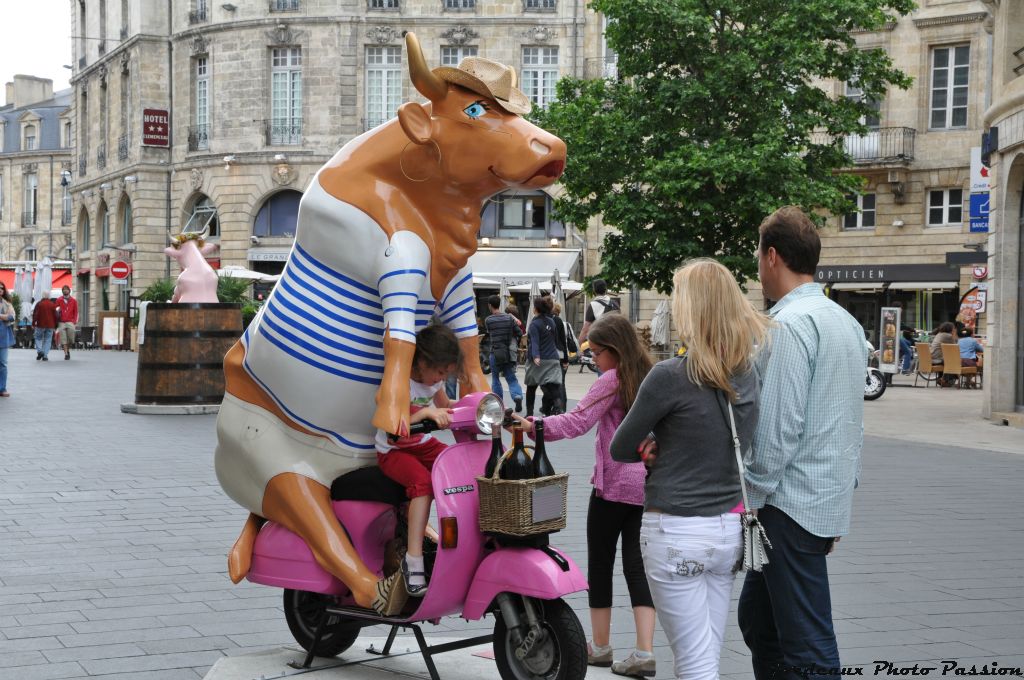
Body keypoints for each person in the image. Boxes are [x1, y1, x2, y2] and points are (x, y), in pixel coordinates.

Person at [610, 259, 769, 680]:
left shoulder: (669, 376)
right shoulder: (747, 375)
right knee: (704, 658)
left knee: (696, 666)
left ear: (691, 310)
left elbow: (622, 446)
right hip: (727, 532)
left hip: (676, 530)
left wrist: (653, 447)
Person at [739, 206, 866, 680]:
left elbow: (778, 430)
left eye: (758, 252)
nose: (757, 262)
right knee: (760, 621)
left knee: (807, 643)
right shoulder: (843, 321)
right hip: (820, 497)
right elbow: (852, 419)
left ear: (772, 256)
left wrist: (748, 497)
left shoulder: (790, 325)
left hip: (787, 503)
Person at [514, 313, 656, 678]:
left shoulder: (612, 379)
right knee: (637, 569)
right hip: (647, 487)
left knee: (601, 566)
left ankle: (602, 647)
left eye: (595, 352)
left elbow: (577, 421)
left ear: (613, 350)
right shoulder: (650, 374)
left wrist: (535, 426)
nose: (593, 359)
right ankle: (644, 651)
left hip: (612, 488)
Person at [373, 324, 460, 614]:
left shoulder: (434, 380)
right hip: (393, 450)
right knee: (422, 484)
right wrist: (423, 413)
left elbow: (446, 405)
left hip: (421, 444)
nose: (442, 378)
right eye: (439, 372)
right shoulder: (400, 382)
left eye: (446, 373)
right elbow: (389, 427)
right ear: (421, 362)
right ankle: (413, 560)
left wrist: (477, 408)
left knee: (458, 466)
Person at [524, 296, 564, 417]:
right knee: (551, 386)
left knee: (531, 387)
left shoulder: (534, 324)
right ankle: (558, 406)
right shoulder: (551, 321)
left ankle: (529, 414)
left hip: (538, 360)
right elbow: (555, 340)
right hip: (553, 358)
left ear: (536, 309)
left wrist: (536, 355)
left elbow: (534, 341)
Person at [484, 295, 524, 412]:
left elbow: (489, 334)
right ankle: (517, 396)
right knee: (511, 378)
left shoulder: (488, 320)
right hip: (507, 353)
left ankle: (499, 404)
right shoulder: (509, 318)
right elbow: (519, 333)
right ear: (499, 304)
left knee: (495, 379)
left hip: (495, 353)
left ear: (490, 306)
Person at [551, 301, 577, 409]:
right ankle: (562, 407)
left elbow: (560, 341)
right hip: (562, 355)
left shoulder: (553, 322)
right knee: (562, 383)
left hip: (554, 355)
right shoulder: (565, 323)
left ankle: (558, 407)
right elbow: (565, 342)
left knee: (555, 383)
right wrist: (566, 360)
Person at [579, 278, 619, 343]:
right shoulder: (615, 303)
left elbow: (585, 329)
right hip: (616, 341)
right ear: (606, 290)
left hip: (602, 341)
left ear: (594, 290)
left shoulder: (593, 305)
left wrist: (579, 345)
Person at [0, 283, 16, 397]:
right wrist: (4, 316)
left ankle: (2, 388)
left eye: (2, 288)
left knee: (3, 364)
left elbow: (11, 317)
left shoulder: (7, 303)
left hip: (3, 337)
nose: (0, 290)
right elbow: (7, 316)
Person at [55, 285, 79, 361]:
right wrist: (57, 311)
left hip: (70, 321)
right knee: (63, 339)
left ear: (69, 291)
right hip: (61, 322)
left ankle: (68, 349)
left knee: (71, 339)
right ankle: (66, 353)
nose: (65, 291)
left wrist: (74, 321)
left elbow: (76, 312)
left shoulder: (73, 301)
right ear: (62, 291)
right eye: (64, 290)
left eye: (66, 289)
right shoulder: (59, 300)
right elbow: (55, 309)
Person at [32, 296, 59, 361]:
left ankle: (40, 351)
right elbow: (56, 315)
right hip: (50, 325)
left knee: (38, 338)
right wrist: (56, 325)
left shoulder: (39, 304)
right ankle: (45, 355)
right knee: (48, 340)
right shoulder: (52, 304)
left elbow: (35, 314)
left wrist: (33, 323)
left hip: (40, 324)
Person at [930, 322, 957, 387]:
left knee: (948, 360)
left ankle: (943, 379)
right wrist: (954, 335)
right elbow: (955, 348)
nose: (954, 329)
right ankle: (943, 379)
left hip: (933, 358)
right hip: (938, 359)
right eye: (953, 328)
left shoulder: (939, 334)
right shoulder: (948, 336)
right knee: (954, 362)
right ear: (950, 329)